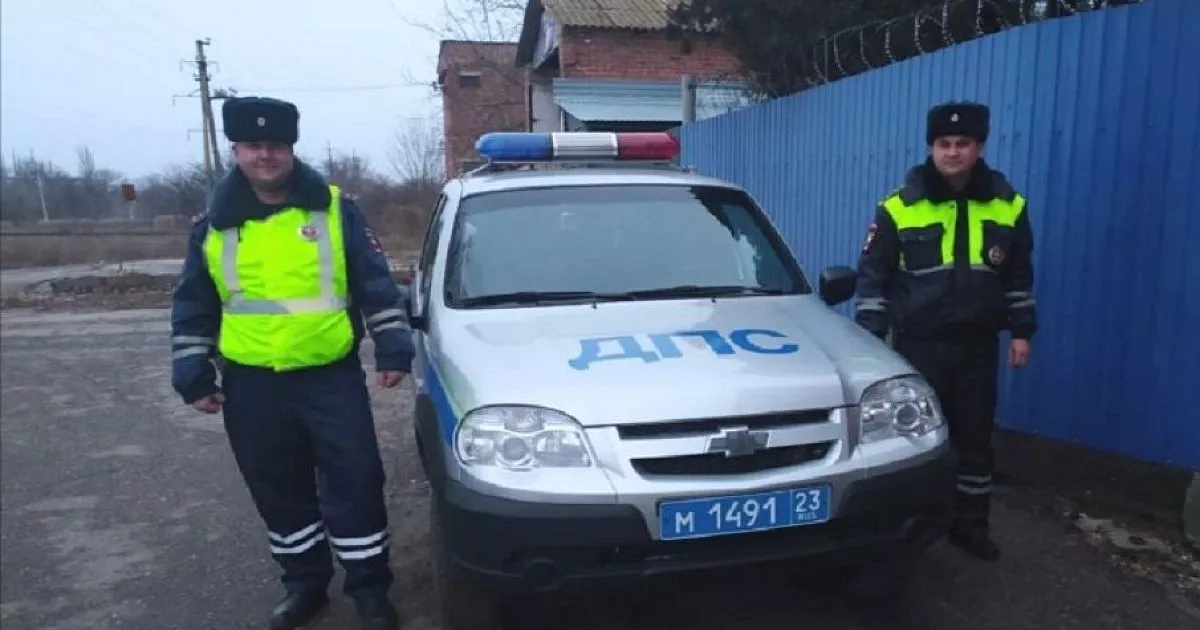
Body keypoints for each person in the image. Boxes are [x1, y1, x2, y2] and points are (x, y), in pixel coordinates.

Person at [170, 95, 414, 629]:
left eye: (276, 145)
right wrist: (192, 371)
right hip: (251, 384)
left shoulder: (335, 209)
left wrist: (393, 345)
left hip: (330, 378)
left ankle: (370, 590)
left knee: (357, 482)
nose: (266, 155)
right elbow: (194, 302)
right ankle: (304, 585)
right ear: (236, 150)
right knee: (278, 489)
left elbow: (375, 283)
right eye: (253, 145)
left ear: (291, 148)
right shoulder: (212, 223)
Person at [853, 101, 1036, 561]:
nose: (953, 152)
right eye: (944, 144)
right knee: (911, 440)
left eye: (963, 143)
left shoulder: (1008, 205)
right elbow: (873, 278)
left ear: (979, 147)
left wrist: (1021, 332)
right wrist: (869, 341)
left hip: (977, 346)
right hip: (917, 347)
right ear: (931, 148)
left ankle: (970, 526)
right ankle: (910, 527)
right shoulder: (900, 206)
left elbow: (1018, 276)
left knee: (975, 440)